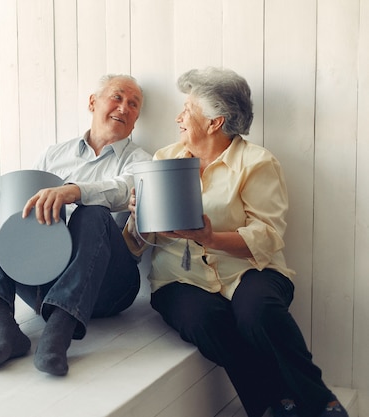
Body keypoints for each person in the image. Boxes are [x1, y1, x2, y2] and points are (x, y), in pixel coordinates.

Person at [123, 67, 348, 417]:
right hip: (180, 279)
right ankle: (275, 403)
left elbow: (268, 236)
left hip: (249, 270)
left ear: (215, 122)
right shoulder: (164, 160)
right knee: (205, 321)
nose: (178, 117)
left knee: (257, 312)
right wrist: (140, 217)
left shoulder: (257, 162)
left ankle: (322, 402)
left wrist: (210, 238)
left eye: (187, 110)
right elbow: (144, 239)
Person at [0, 74, 152, 376]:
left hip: (111, 286)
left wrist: (74, 191)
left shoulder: (141, 160)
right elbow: (25, 211)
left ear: (135, 120)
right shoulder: (54, 154)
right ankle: (4, 329)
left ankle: (58, 334)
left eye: (133, 104)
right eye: (117, 97)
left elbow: (122, 190)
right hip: (46, 279)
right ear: (93, 102)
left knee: (92, 213)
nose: (124, 107)